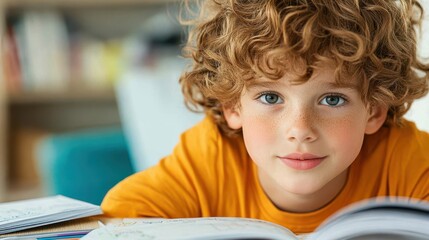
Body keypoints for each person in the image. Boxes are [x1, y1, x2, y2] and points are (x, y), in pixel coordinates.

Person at [101, 0, 429, 234]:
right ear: (233, 106)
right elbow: (119, 220)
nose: (300, 130)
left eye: (332, 99)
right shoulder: (210, 157)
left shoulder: (407, 160)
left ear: (374, 109)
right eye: (271, 97)